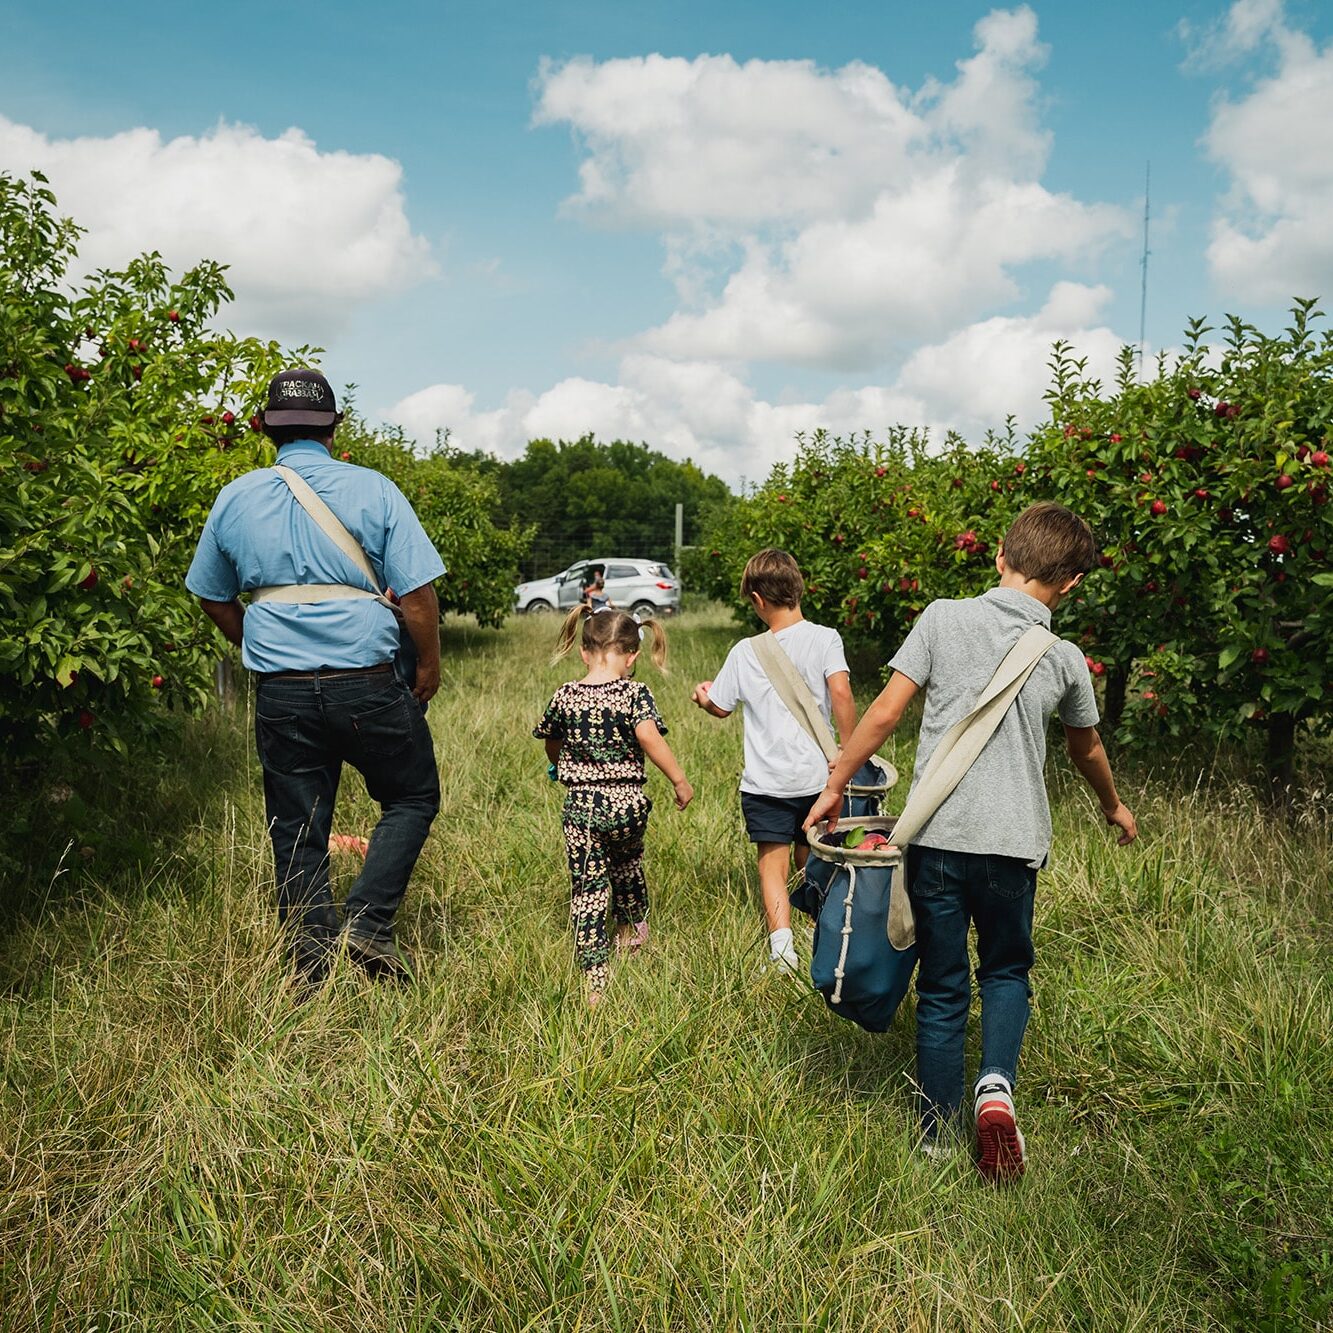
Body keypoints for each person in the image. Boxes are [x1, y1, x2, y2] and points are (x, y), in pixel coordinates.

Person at [804, 502, 1138, 1180]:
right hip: (1012, 845)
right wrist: (1113, 804)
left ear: (998, 556)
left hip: (937, 838)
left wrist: (837, 780)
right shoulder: (1065, 657)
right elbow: (1087, 749)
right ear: (1070, 584)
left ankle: (932, 1135)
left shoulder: (940, 617)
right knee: (1007, 969)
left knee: (943, 983)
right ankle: (994, 1088)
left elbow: (886, 711)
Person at [186, 368, 445, 993]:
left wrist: (258, 642)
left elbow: (211, 596)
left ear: (260, 428)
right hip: (367, 679)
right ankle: (367, 922)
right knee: (411, 797)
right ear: (335, 427)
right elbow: (416, 596)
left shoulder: (235, 498)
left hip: (282, 689)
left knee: (297, 826)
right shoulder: (375, 489)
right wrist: (430, 665)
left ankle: (309, 970)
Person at [690, 549, 856, 973]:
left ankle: (782, 951)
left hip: (766, 782)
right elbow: (840, 694)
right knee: (813, 854)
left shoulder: (745, 651)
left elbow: (721, 707)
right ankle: (826, 929)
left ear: (758, 599)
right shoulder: (825, 638)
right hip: (818, 777)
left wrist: (703, 697)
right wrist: (847, 753)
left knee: (772, 864)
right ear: (798, 589)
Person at [534, 605, 692, 1005]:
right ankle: (633, 938)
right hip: (628, 806)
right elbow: (649, 738)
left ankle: (595, 978)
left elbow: (552, 741)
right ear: (632, 655)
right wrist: (679, 779)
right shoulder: (635, 692)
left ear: (584, 652)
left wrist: (560, 764)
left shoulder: (565, 696)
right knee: (627, 867)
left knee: (589, 889)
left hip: (583, 806)